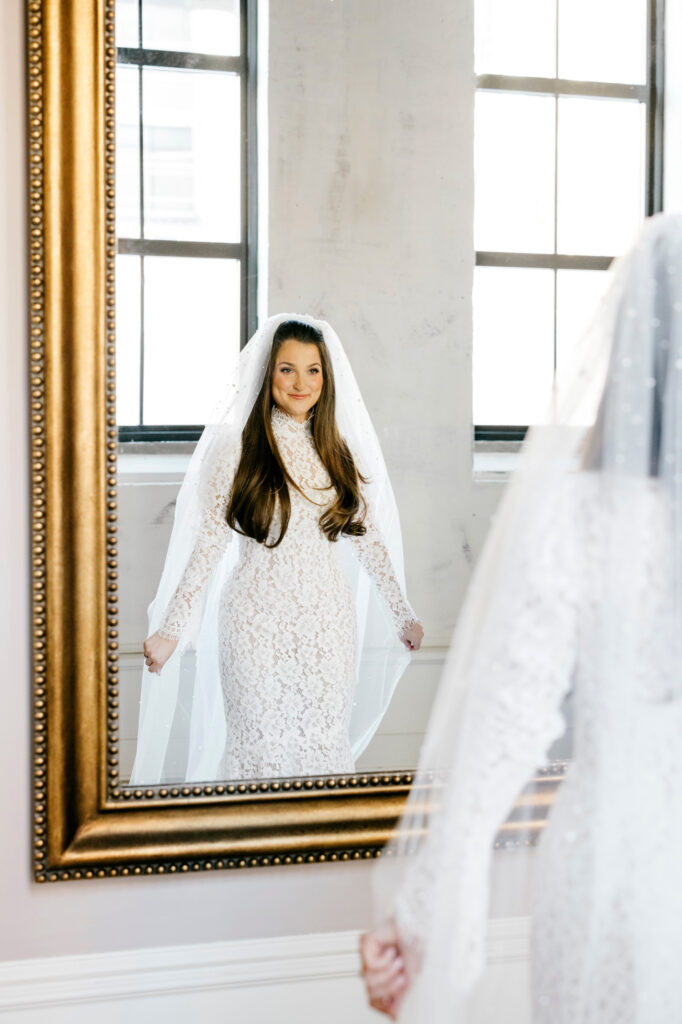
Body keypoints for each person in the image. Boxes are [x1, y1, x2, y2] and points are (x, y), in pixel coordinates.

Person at [360, 213, 682, 1023]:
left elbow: (503, 730)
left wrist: (421, 914)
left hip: (616, 870)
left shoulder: (581, 514)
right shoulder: (584, 516)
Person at [131, 314, 423, 784]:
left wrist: (402, 613)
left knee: (323, 745)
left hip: (327, 624)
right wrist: (171, 629)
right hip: (253, 621)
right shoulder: (237, 446)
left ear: (327, 379)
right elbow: (209, 541)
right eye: (287, 369)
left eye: (313, 370)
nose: (301, 382)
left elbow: (367, 538)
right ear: (267, 374)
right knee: (258, 748)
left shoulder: (340, 451)